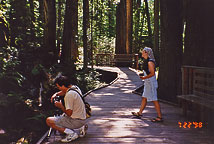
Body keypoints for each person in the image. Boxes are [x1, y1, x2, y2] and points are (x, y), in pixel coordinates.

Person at [46, 75, 88, 142]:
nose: (58, 88)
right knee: (60, 124)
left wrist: (61, 106)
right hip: (82, 117)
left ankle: (72, 134)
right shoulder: (75, 88)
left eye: (58, 86)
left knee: (49, 120)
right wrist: (56, 94)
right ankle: (81, 127)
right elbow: (64, 91)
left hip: (76, 121)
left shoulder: (69, 95)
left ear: (63, 86)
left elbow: (69, 113)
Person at [132, 47, 163, 122]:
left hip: (151, 83)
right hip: (147, 82)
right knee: (144, 97)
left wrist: (144, 77)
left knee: (154, 99)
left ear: (147, 53)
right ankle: (139, 113)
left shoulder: (150, 62)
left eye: (143, 52)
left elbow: (152, 73)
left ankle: (159, 117)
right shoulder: (146, 61)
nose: (142, 53)